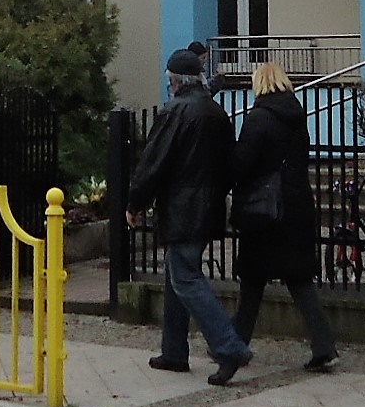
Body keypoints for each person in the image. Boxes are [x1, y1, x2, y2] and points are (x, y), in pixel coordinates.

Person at [125, 45, 252, 385]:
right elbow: (230, 164)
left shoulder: (176, 112)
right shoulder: (215, 112)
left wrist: (135, 203)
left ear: (177, 81)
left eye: (169, 80)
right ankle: (174, 351)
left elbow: (153, 163)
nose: (169, 85)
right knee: (176, 275)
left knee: (185, 278)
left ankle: (229, 347)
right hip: (209, 206)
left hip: (182, 208)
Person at [230, 62, 338, 372]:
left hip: (265, 210)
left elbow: (243, 162)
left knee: (252, 280)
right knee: (299, 278)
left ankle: (234, 345)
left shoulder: (258, 118)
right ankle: (324, 345)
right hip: (296, 205)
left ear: (259, 84)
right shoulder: (296, 116)